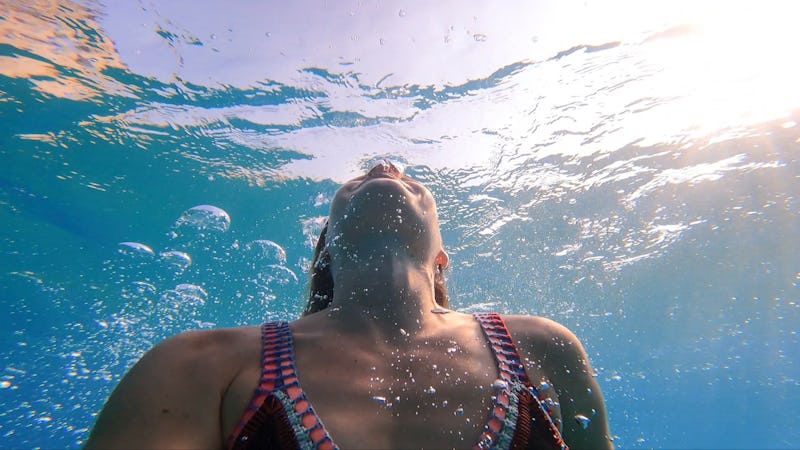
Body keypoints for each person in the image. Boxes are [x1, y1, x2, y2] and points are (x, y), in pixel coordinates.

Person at [85, 161, 613, 449]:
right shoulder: (200, 365)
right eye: (359, 177)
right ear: (326, 251)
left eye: (404, 175)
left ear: (441, 261)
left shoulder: (542, 346)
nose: (386, 166)